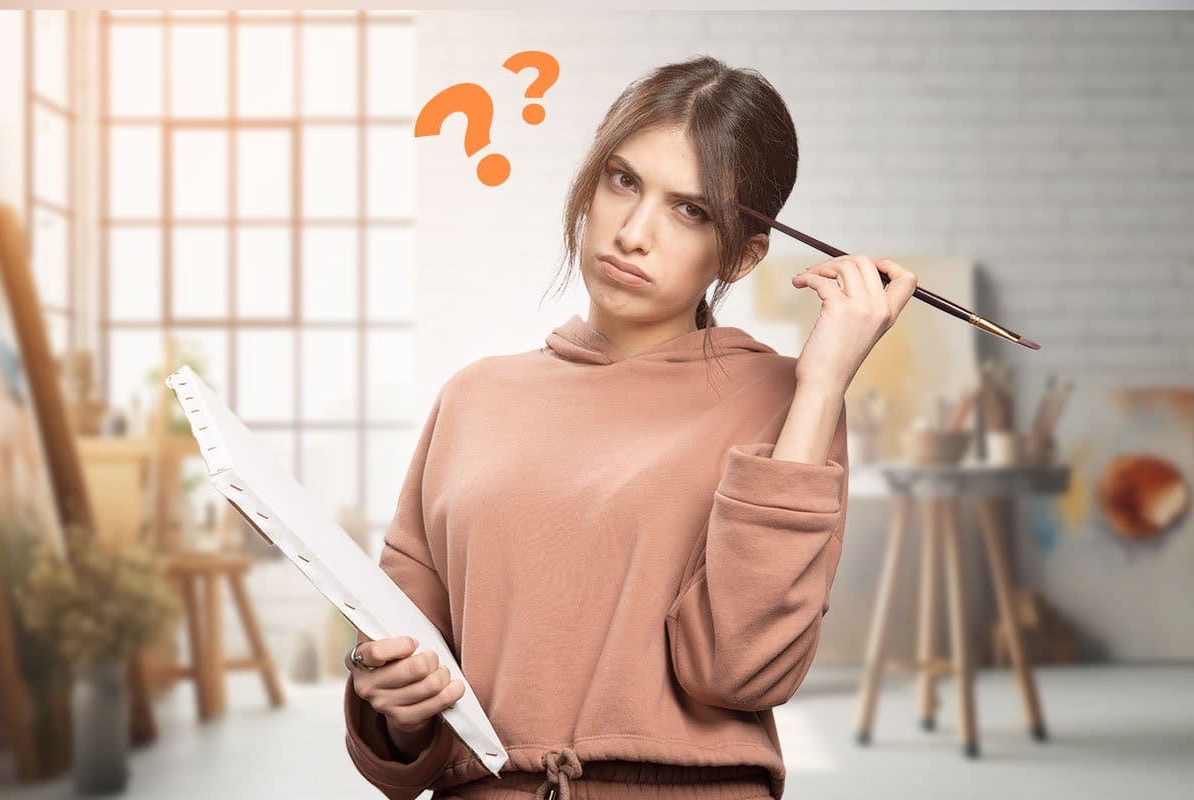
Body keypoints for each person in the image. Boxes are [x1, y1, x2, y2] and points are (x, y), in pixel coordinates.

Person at [342, 55, 917, 800]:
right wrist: (391, 698)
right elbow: (395, 690)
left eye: (691, 210)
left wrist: (823, 384)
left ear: (741, 253)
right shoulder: (473, 398)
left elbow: (740, 669)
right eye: (623, 181)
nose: (634, 232)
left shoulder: (786, 400)